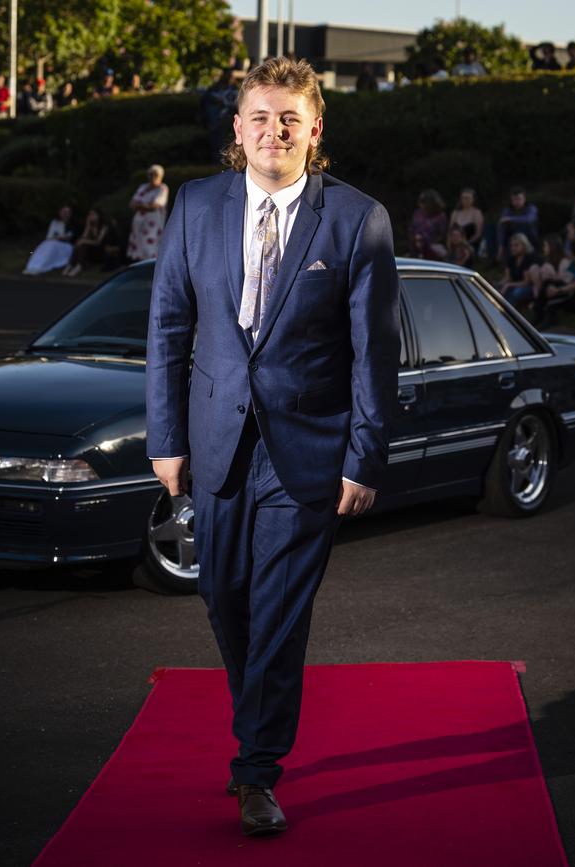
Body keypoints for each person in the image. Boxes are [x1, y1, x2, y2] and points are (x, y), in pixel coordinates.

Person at [146, 56, 399, 837]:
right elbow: (167, 327)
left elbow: (376, 351)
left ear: (315, 129)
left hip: (307, 453)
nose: (273, 130)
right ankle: (256, 714)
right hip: (217, 441)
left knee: (280, 612)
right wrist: (166, 436)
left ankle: (257, 768)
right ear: (237, 128)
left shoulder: (358, 219)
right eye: (259, 116)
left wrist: (365, 452)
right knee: (223, 596)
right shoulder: (194, 206)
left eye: (290, 117)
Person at [533, 238, 575, 329]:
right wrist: (553, 287)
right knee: (548, 283)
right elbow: (567, 280)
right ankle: (539, 313)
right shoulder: (574, 263)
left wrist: (558, 290)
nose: (568, 253)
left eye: (570, 251)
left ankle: (544, 319)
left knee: (554, 301)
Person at [126, 165, 169, 261]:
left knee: (151, 249)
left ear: (160, 176)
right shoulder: (143, 187)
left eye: (155, 175)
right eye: (150, 175)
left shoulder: (162, 188)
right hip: (139, 225)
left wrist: (140, 206)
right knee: (138, 249)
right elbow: (132, 204)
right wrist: (145, 206)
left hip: (153, 226)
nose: (152, 177)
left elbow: (155, 205)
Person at [22, 205, 74, 274]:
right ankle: (32, 266)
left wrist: (59, 237)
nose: (65, 214)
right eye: (63, 211)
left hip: (65, 245)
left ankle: (41, 267)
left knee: (51, 248)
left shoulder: (72, 224)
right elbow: (49, 236)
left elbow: (69, 236)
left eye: (67, 212)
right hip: (51, 242)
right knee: (42, 248)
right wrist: (58, 237)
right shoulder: (55, 222)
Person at [497, 186, 539, 262]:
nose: (517, 202)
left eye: (519, 199)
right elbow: (502, 227)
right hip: (511, 235)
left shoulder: (531, 208)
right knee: (492, 228)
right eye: (514, 199)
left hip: (528, 236)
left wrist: (511, 219)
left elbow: (529, 219)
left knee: (521, 228)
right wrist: (501, 245)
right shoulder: (508, 210)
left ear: (524, 198)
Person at [497, 233, 539, 307]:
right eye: (511, 246)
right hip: (515, 284)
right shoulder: (511, 259)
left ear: (524, 245)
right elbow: (508, 278)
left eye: (516, 245)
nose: (513, 248)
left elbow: (526, 282)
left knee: (517, 292)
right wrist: (499, 284)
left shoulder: (529, 258)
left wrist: (508, 285)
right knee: (497, 288)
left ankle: (509, 308)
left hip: (527, 286)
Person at [63, 208, 108, 276]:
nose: (91, 216)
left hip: (100, 250)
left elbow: (98, 242)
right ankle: (72, 265)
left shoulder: (104, 226)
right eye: (89, 215)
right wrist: (87, 226)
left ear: (99, 215)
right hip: (90, 250)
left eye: (93, 214)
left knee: (82, 243)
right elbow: (83, 237)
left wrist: (84, 241)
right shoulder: (90, 226)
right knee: (80, 243)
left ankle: (79, 266)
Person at [530, 233, 572, 301]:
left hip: (561, 290)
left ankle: (541, 300)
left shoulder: (564, 262)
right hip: (548, 290)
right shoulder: (548, 262)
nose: (543, 248)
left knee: (546, 268)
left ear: (552, 247)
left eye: (545, 246)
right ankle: (539, 298)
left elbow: (565, 282)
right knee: (534, 268)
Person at [408, 189, 448, 260]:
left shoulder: (440, 216)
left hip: (431, 249)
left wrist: (427, 242)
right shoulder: (417, 213)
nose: (420, 203)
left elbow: (442, 234)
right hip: (415, 247)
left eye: (423, 201)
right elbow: (412, 228)